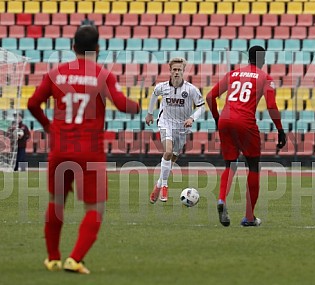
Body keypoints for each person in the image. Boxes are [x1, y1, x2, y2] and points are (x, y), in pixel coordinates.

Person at [28, 25, 140, 274]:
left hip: (60, 148)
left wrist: (48, 126)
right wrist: (139, 106)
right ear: (98, 48)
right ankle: (75, 258)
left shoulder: (56, 73)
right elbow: (122, 105)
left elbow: (33, 103)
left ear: (72, 46)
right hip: (89, 152)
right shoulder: (103, 75)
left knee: (56, 203)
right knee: (95, 208)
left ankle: (53, 258)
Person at [206, 46, 286, 227]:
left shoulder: (233, 74)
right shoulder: (265, 78)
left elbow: (210, 96)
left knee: (230, 164)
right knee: (253, 166)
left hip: (225, 120)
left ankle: (221, 199)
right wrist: (280, 130)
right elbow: (272, 106)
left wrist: (218, 119)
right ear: (261, 59)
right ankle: (249, 217)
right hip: (245, 122)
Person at [146, 57, 205, 204]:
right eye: (174, 69)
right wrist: (149, 113)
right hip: (165, 122)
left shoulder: (191, 90)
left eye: (179, 69)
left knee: (173, 157)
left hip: (181, 127)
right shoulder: (162, 87)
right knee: (168, 151)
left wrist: (192, 118)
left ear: (183, 71)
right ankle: (165, 186)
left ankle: (159, 183)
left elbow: (201, 106)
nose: (177, 72)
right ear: (170, 71)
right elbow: (154, 94)